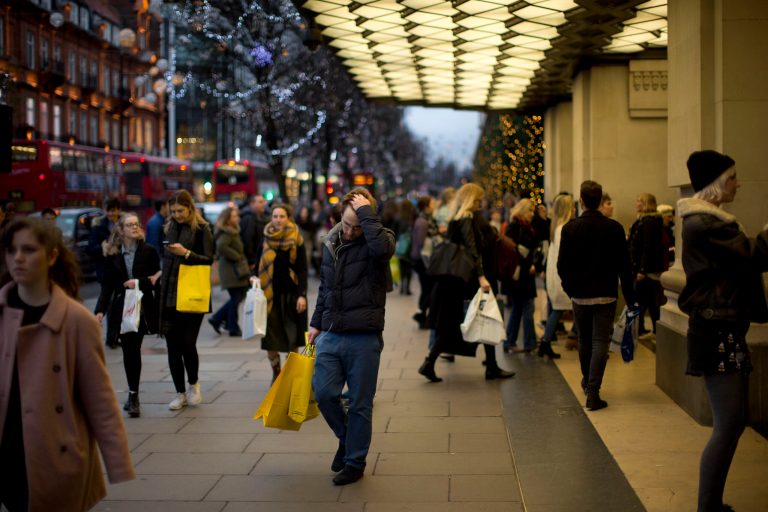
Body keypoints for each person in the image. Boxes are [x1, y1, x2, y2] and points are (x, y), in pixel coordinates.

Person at [0, 218, 135, 511]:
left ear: (51, 256)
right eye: (11, 250)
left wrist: (118, 463)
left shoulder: (76, 320)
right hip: (7, 454)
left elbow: (99, 399)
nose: (18, 258)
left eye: (28, 250)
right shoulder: (2, 312)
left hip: (55, 457)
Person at [677, 150, 768, 512]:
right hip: (717, 332)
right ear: (715, 185)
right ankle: (708, 506)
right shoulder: (706, 224)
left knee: (732, 422)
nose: (737, 183)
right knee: (729, 424)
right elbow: (754, 254)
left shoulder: (709, 221)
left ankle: (710, 504)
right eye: (731, 178)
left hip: (722, 329)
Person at [309, 188, 395, 486]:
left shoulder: (379, 239)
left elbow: (382, 251)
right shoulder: (331, 241)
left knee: (360, 403)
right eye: (346, 224)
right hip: (331, 334)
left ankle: (355, 462)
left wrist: (366, 215)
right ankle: (347, 439)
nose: (349, 231)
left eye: (356, 226)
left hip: (364, 337)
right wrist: (316, 323)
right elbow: (325, 287)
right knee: (323, 393)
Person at [418, 183, 515, 382]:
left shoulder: (459, 217)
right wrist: (482, 276)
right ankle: (489, 367)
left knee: (469, 321)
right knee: (478, 319)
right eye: (478, 199)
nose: (481, 203)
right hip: (470, 280)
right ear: (472, 198)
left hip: (461, 280)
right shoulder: (467, 217)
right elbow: (473, 249)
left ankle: (490, 366)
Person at [557, 180, 635, 411]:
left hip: (580, 295)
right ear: (600, 201)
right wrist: (630, 298)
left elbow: (562, 266)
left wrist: (570, 289)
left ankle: (587, 382)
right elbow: (625, 267)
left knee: (585, 341)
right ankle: (593, 391)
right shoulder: (615, 228)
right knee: (601, 341)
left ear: (581, 201)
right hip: (606, 294)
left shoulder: (570, 229)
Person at [94, 213, 161, 417]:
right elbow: (107, 286)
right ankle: (133, 396)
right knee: (128, 351)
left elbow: (156, 278)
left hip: (142, 306)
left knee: (135, 348)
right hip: (122, 308)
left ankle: (133, 395)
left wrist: (138, 282)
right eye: (129, 225)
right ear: (120, 230)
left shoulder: (149, 251)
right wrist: (99, 311)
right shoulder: (113, 254)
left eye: (136, 224)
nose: (134, 227)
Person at [158, 190, 214, 411]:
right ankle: (179, 393)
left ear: (190, 208)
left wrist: (186, 253)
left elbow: (209, 259)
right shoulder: (169, 227)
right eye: (173, 212)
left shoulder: (202, 229)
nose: (177, 215)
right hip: (170, 292)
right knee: (172, 346)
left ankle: (194, 384)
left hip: (192, 293)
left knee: (188, 343)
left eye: (180, 211)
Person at [257, 204, 308, 382]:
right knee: (270, 340)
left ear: (288, 218)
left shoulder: (296, 239)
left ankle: (290, 377)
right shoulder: (265, 238)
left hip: (290, 296)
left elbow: (302, 269)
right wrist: (252, 278)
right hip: (269, 297)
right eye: (275, 216)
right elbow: (256, 264)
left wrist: (302, 294)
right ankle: (277, 372)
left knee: (291, 339)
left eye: (281, 216)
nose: (278, 219)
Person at [541, 194, 576, 358]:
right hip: (563, 278)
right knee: (562, 310)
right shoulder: (564, 228)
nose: (575, 209)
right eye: (572, 206)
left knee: (560, 311)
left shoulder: (557, 227)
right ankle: (546, 342)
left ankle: (546, 342)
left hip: (556, 276)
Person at [502, 198, 539, 354]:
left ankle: (510, 341)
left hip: (523, 276)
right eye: (530, 210)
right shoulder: (515, 227)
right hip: (519, 276)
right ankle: (529, 343)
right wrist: (527, 265)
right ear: (522, 211)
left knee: (518, 308)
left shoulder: (526, 227)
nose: (532, 214)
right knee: (527, 307)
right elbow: (512, 252)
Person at [628, 192, 667, 336]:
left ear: (646, 203)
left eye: (639, 200)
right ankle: (644, 329)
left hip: (646, 270)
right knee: (649, 300)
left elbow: (647, 246)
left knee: (643, 300)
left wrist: (642, 270)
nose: (636, 203)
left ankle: (639, 329)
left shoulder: (649, 221)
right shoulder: (643, 220)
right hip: (641, 268)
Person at [208, 206, 250, 337]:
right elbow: (221, 246)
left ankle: (220, 320)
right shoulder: (226, 232)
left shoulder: (233, 230)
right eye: (234, 216)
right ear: (227, 219)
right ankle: (231, 326)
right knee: (236, 298)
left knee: (237, 297)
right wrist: (237, 256)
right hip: (231, 270)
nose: (237, 217)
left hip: (235, 269)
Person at [411, 195, 438, 329]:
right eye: (432, 204)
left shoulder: (425, 219)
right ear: (426, 207)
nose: (434, 206)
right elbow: (421, 243)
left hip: (423, 259)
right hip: (423, 260)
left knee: (427, 289)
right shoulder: (423, 221)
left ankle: (422, 315)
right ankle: (421, 316)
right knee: (428, 289)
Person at [88, 198, 121, 284]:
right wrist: (104, 248)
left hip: (123, 269)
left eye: (113, 210)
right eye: (108, 210)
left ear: (119, 210)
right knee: (105, 297)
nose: (110, 213)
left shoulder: (125, 224)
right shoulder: (98, 225)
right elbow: (91, 247)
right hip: (105, 270)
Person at [240, 195, 270, 269]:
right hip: (254, 262)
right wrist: (251, 261)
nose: (263, 204)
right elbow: (247, 241)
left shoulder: (264, 217)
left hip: (262, 258)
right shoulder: (248, 218)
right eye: (260, 202)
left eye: (263, 202)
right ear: (252, 204)